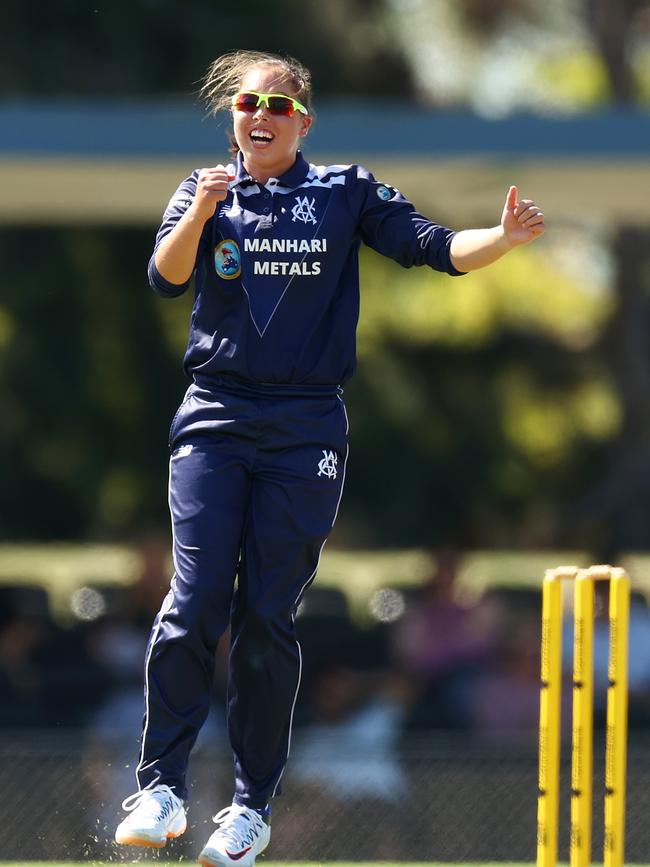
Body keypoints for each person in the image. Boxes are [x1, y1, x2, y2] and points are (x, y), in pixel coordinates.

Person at [114, 49, 546, 867]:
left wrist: (505, 237)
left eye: (279, 104)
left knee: (266, 615)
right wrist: (201, 213)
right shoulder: (202, 188)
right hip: (215, 413)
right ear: (233, 116)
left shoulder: (345, 188)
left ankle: (249, 807)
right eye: (248, 104)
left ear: (302, 120)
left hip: (306, 424)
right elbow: (165, 278)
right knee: (196, 592)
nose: (262, 116)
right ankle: (161, 785)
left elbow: (432, 245)